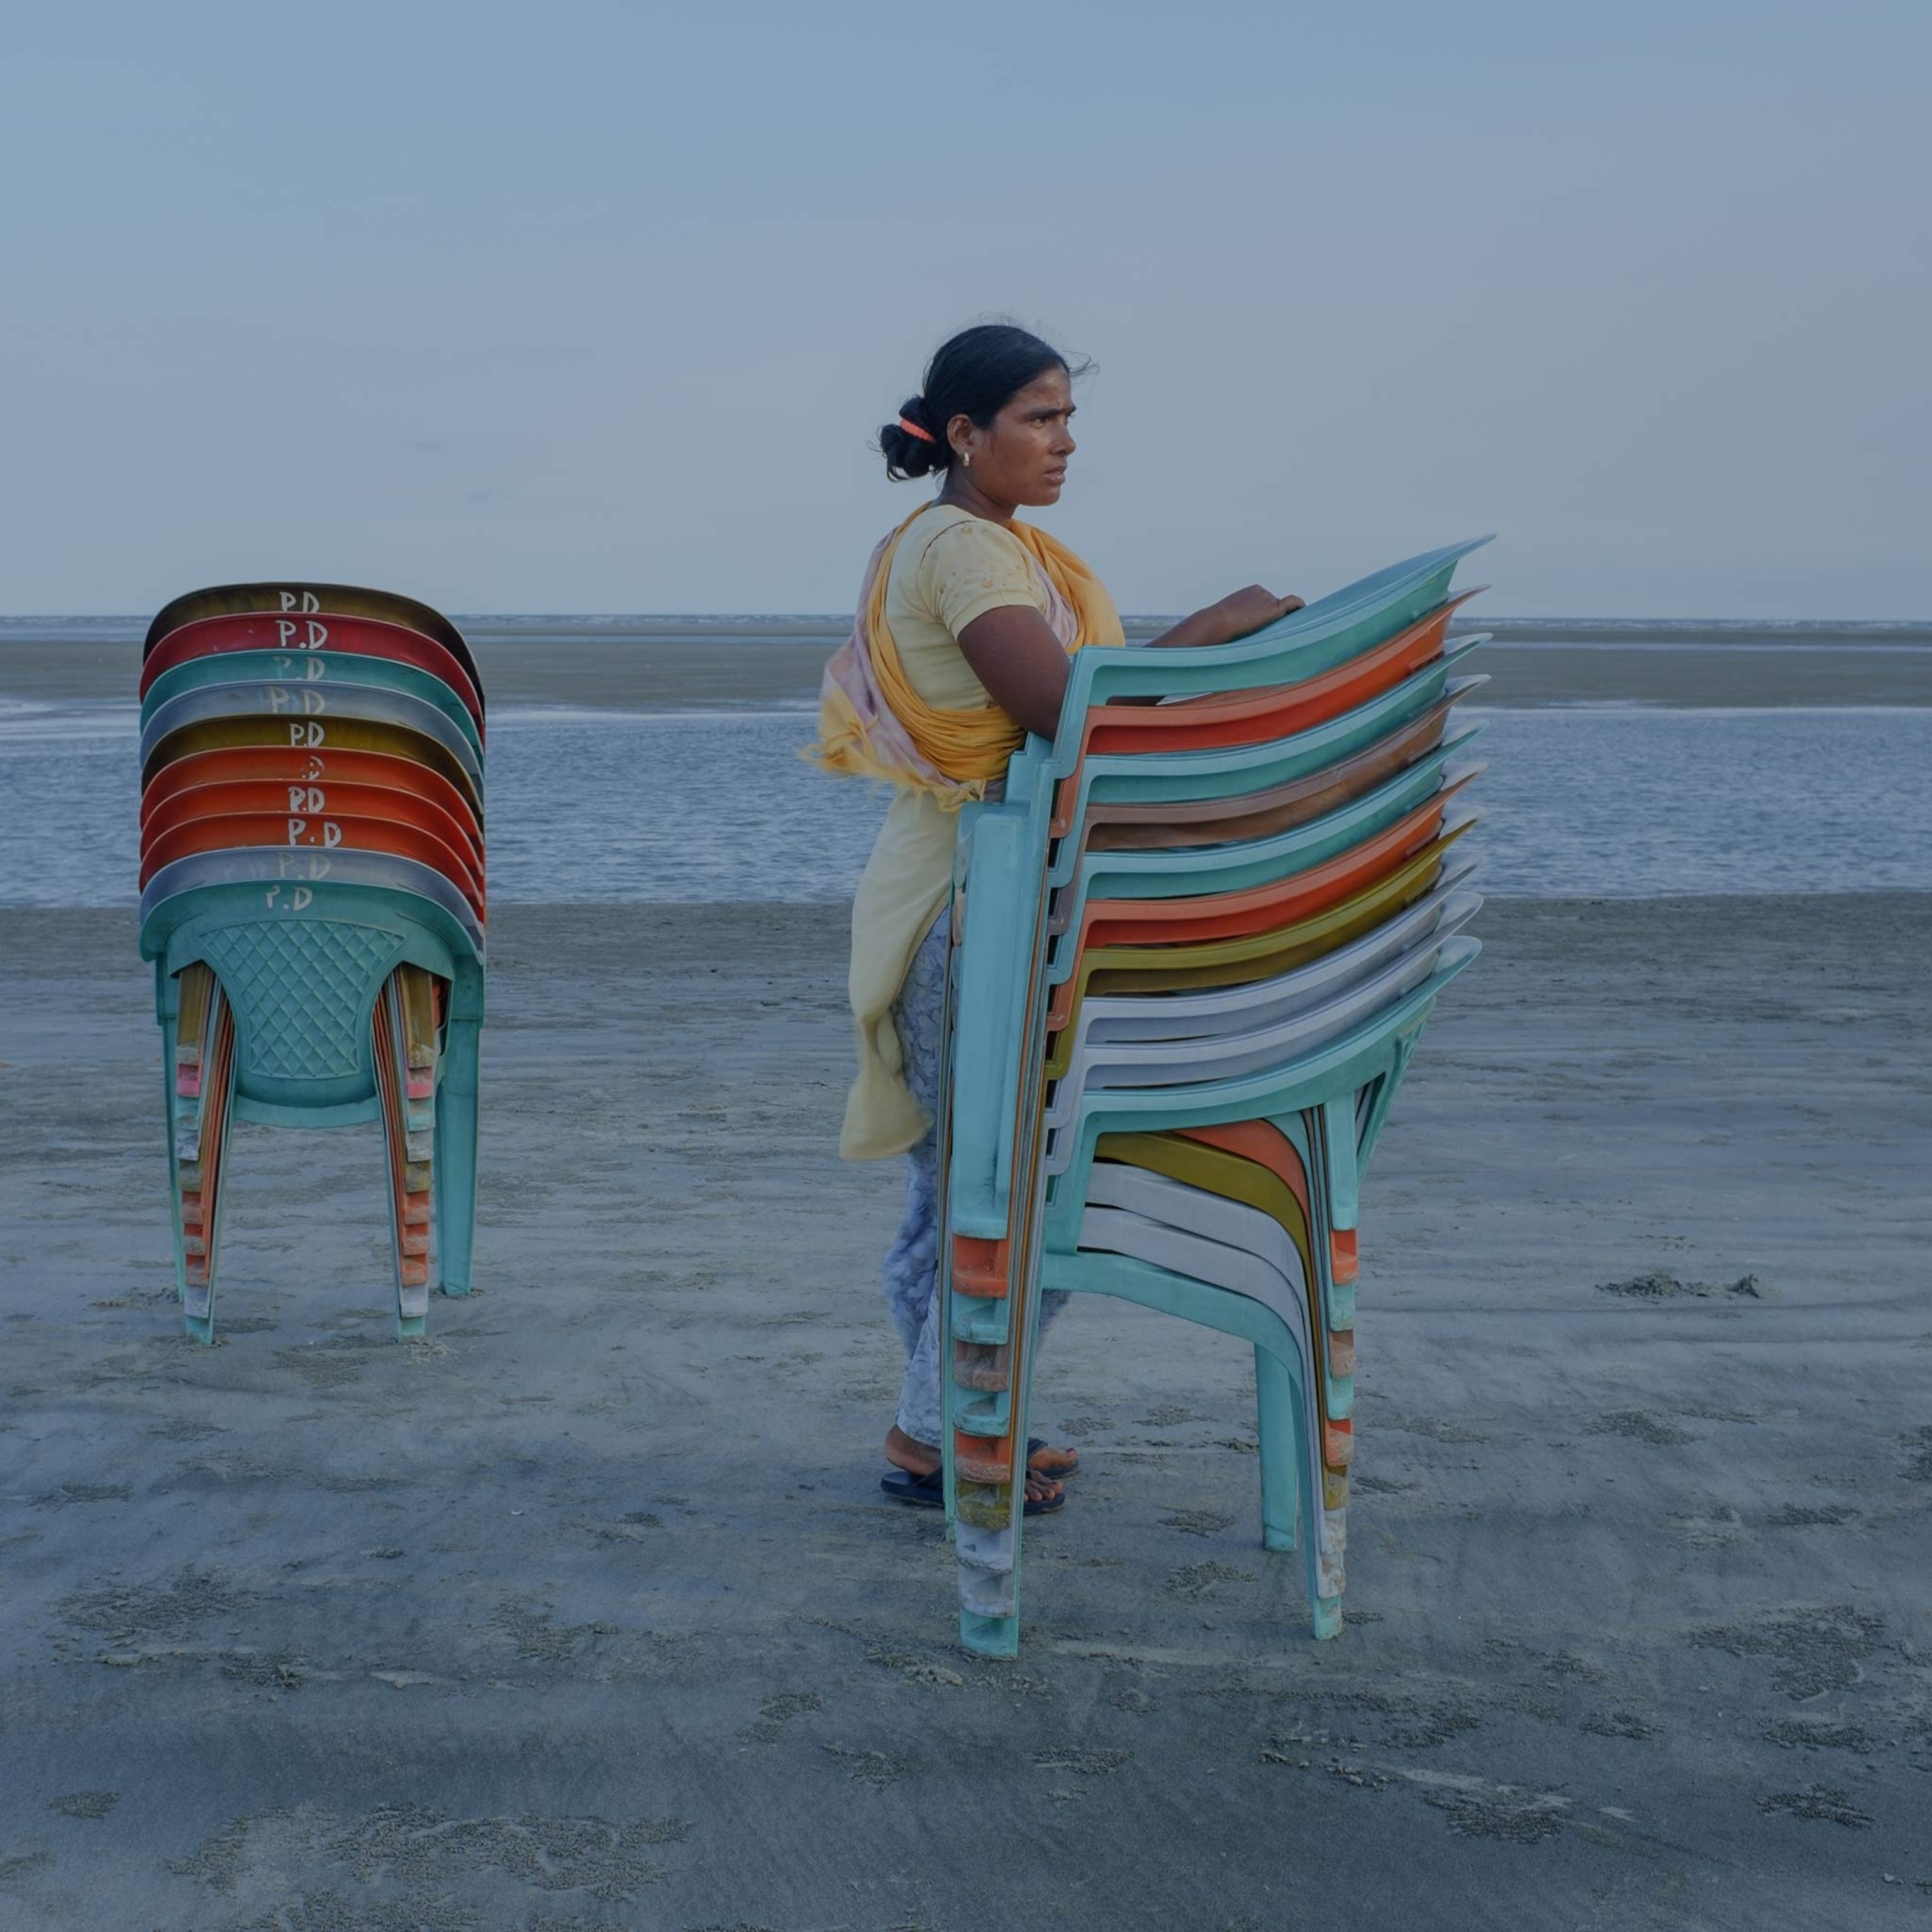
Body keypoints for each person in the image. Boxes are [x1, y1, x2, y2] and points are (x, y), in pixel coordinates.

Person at [813, 322, 1304, 1515]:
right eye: (1039, 418)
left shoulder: (963, 542)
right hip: (972, 905)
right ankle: (942, 1431)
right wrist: (1210, 633)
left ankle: (962, 1419)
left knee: (961, 1189)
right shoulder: (968, 552)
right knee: (1026, 1183)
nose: (1064, 442)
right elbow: (1061, 712)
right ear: (968, 434)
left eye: (1069, 417)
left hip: (952, 887)